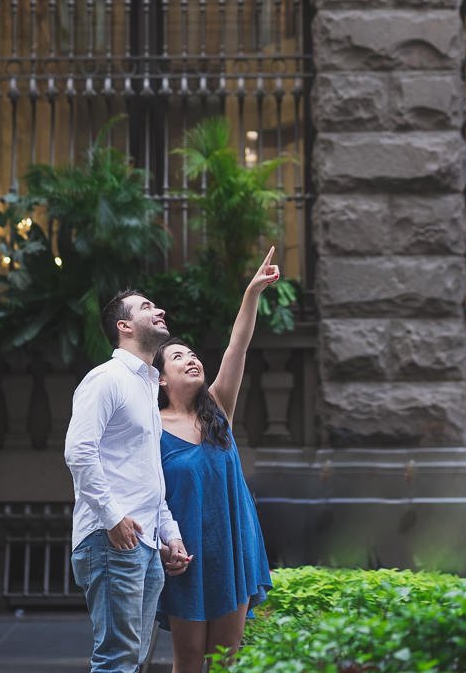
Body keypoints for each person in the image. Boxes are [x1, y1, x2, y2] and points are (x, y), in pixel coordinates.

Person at [153, 247, 278, 673]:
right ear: (161, 379)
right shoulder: (150, 428)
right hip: (187, 556)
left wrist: (252, 293)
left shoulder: (218, 409)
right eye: (177, 356)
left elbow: (236, 349)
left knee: (226, 660)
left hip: (232, 547)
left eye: (191, 353)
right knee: (188, 661)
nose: (190, 358)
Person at [65, 289, 191, 673]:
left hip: (147, 541)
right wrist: (112, 518)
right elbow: (79, 452)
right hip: (112, 540)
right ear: (124, 326)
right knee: (117, 660)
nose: (160, 309)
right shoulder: (106, 379)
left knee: (133, 661)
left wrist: (170, 534)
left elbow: (146, 475)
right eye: (146, 308)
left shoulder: (146, 385)